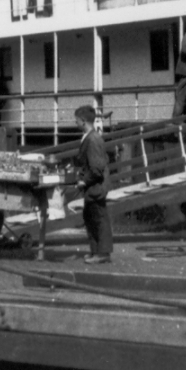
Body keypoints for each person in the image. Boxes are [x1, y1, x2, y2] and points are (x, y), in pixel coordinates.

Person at [73, 106, 112, 264]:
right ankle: (96, 251)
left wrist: (84, 181)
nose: (75, 123)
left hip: (96, 186)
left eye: (76, 120)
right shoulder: (91, 137)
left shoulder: (93, 139)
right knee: (91, 217)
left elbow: (96, 168)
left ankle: (103, 253)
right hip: (93, 186)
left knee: (98, 218)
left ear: (83, 121)